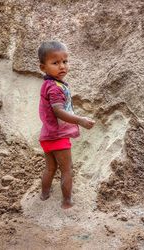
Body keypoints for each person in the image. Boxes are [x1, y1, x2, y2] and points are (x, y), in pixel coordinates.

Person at [38, 41, 95, 209]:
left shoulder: (48, 84)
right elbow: (58, 111)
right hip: (58, 136)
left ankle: (45, 194)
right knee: (67, 169)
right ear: (43, 67)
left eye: (65, 61)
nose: (62, 66)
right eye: (55, 63)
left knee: (50, 168)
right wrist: (80, 120)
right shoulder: (55, 88)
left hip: (47, 135)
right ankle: (67, 201)